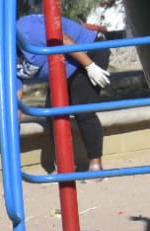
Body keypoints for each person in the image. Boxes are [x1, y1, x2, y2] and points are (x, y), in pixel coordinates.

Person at [15, 10, 112, 173]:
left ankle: (96, 165)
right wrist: (14, 126)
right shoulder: (8, 58)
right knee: (53, 112)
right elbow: (16, 94)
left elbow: (63, 39)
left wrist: (90, 66)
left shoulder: (25, 29)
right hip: (61, 70)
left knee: (83, 110)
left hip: (88, 52)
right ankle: (65, 166)